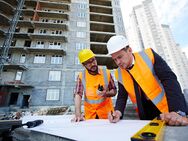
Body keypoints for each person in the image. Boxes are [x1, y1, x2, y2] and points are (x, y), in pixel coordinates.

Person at [106, 35, 188, 126]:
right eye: (115, 59)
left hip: (168, 109)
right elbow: (122, 96)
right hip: (145, 115)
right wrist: (118, 112)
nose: (118, 62)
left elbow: (169, 79)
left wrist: (177, 111)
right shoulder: (119, 73)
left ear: (129, 50)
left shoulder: (149, 55)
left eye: (120, 57)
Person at [71, 49, 117, 122]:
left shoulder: (106, 73)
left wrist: (106, 93)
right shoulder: (81, 76)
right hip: (90, 115)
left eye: (93, 60)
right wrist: (78, 113)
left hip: (107, 115)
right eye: (88, 63)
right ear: (83, 65)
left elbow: (114, 91)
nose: (92, 64)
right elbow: (78, 94)